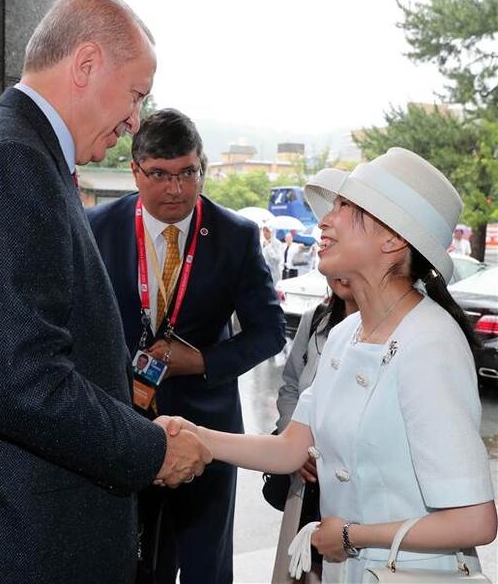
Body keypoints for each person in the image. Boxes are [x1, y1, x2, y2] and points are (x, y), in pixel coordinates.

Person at [0, 0, 211, 584]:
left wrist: (135, 422)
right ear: (86, 63)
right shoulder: (9, 161)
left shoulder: (10, 149)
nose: (135, 122)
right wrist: (150, 450)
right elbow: (18, 383)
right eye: (136, 95)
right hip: (7, 539)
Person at [166, 150, 498, 583]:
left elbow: (475, 520)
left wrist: (350, 535)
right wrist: (195, 435)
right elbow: (290, 448)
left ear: (393, 241)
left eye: (346, 207)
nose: (324, 221)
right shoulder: (346, 333)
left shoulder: (431, 342)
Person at [87, 108, 286, 584]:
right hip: (121, 426)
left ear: (203, 167)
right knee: (130, 563)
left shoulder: (233, 235)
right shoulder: (95, 228)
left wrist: (202, 361)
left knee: (205, 566)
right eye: (159, 174)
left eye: (187, 173)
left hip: (207, 431)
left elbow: (269, 332)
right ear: (135, 171)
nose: (175, 189)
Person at [272, 275, 358, 584]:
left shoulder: (399, 331)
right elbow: (291, 387)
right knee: (301, 565)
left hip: (354, 489)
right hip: (307, 479)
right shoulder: (316, 321)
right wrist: (296, 444)